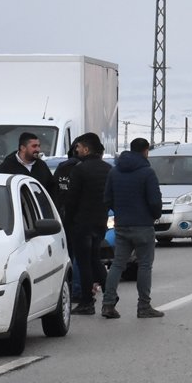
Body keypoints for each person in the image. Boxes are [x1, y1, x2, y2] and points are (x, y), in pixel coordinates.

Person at [102, 137, 163, 319]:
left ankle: (108, 304)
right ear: (145, 151)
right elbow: (154, 201)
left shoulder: (115, 172)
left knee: (117, 264)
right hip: (143, 225)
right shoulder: (147, 172)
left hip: (122, 225)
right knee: (144, 265)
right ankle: (144, 306)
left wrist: (120, 211)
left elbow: (107, 198)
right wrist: (154, 215)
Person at [68, 133, 112, 316]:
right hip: (100, 221)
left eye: (78, 147)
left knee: (84, 262)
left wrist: (69, 220)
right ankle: (111, 294)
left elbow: (72, 199)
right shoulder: (108, 169)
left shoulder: (80, 170)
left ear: (86, 149)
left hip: (82, 223)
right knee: (95, 259)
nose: (76, 150)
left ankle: (87, 302)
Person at [54, 140, 84, 301]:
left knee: (67, 255)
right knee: (79, 256)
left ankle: (65, 288)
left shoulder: (61, 168)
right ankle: (78, 290)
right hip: (79, 218)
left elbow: (54, 191)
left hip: (62, 217)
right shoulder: (83, 169)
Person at [0, 132, 59, 198]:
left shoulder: (42, 166)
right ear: (23, 148)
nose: (38, 149)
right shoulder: (7, 167)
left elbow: (52, 190)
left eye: (38, 146)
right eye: (34, 146)